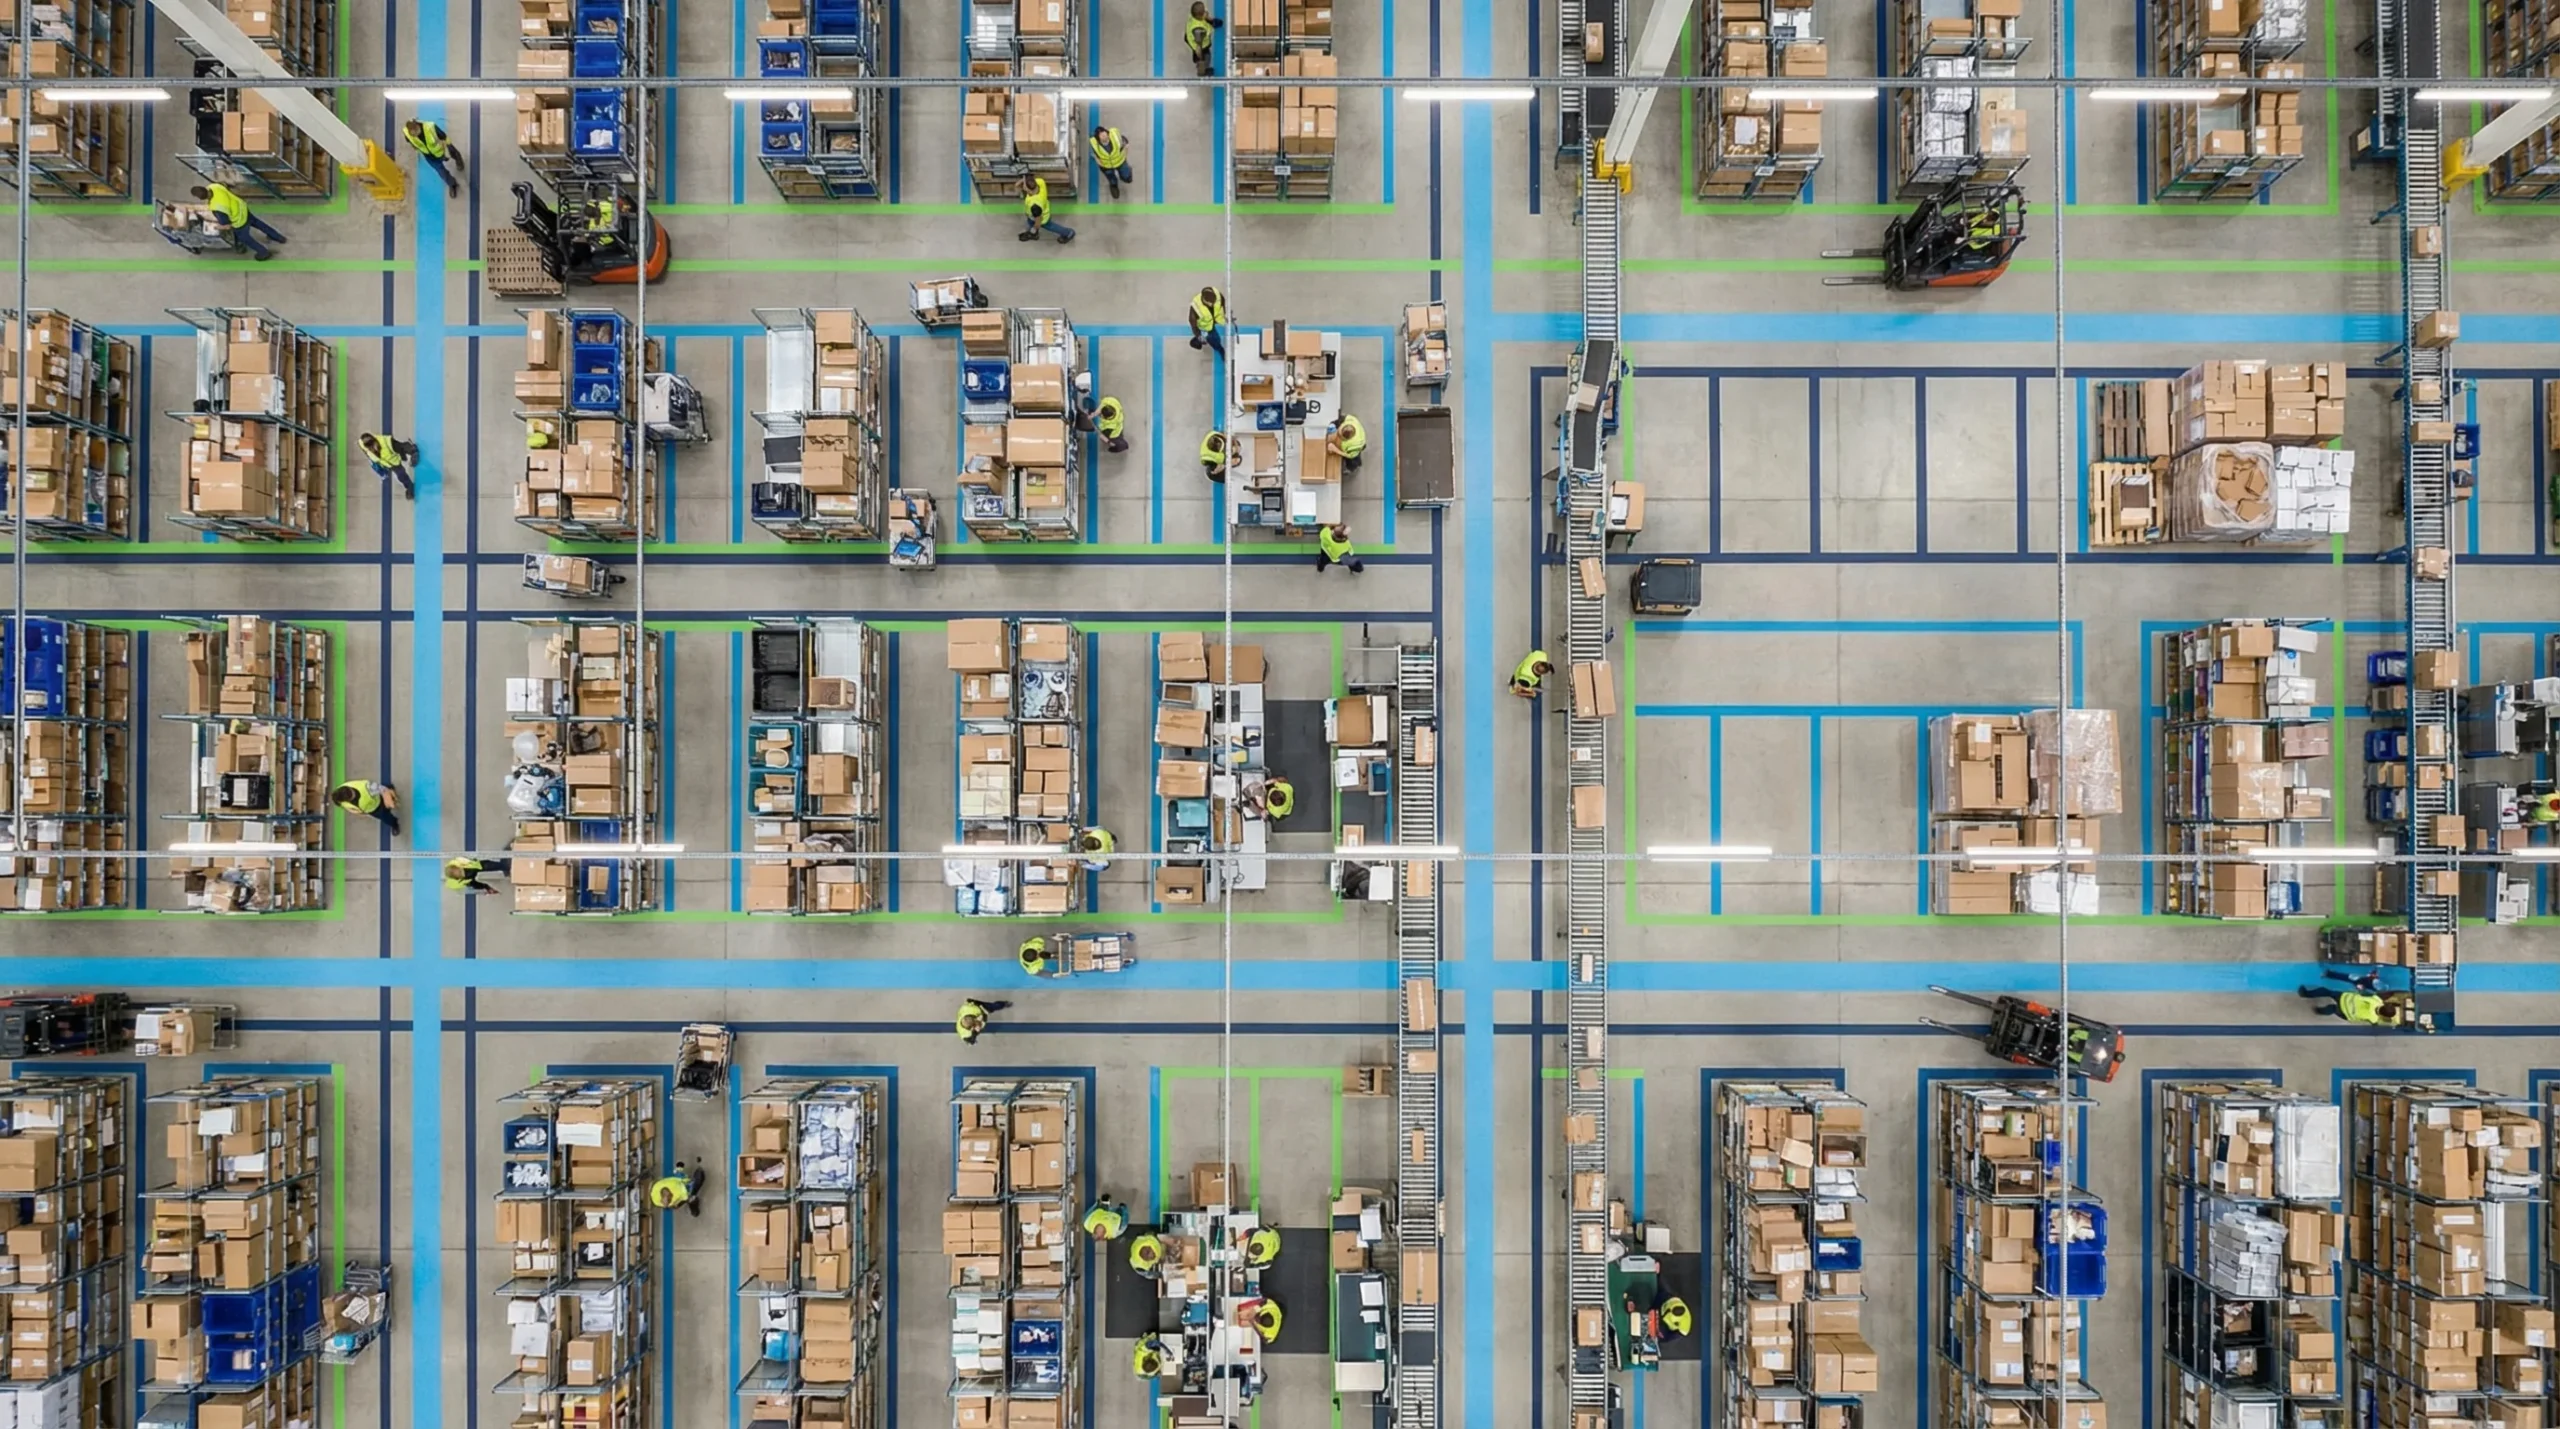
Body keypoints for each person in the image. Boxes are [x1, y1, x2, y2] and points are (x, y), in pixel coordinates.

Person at [190, 183, 287, 261]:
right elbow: (224, 185)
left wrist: (216, 226)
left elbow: (227, 226)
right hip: (242, 208)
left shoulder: (217, 207)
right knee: (258, 223)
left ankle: (263, 252)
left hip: (239, 221)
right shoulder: (214, 186)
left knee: (245, 238)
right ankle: (278, 237)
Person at [2298, 971, 2405, 1027]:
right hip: (2346, 1014)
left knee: (2326, 991)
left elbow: (2364, 993)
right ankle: (2320, 1011)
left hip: (2345, 998)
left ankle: (2306, 994)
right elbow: (2375, 1022)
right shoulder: (2374, 1019)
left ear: (2386, 1005)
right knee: (2333, 1009)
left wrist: (2360, 988)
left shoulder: (2377, 1000)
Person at [402, 118, 467, 198]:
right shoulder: (407, 133)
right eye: (413, 135)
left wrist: (448, 148)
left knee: (453, 153)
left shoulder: (430, 127)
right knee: (441, 172)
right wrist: (416, 147)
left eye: (416, 133)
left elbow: (444, 137)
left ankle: (458, 160)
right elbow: (410, 141)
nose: (416, 135)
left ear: (418, 126)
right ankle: (452, 184)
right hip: (429, 155)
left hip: (441, 150)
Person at [358, 433, 421, 500]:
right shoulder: (366, 447)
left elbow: (401, 446)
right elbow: (361, 443)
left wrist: (411, 451)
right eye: (370, 447)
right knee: (401, 476)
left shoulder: (385, 442)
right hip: (391, 464)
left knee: (401, 447)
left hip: (394, 459)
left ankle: (413, 451)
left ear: (375, 440)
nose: (373, 447)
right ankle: (410, 487)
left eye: (373, 444)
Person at [330, 778, 401, 836]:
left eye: (352, 792)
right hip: (372, 810)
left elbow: (383, 790)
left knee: (384, 790)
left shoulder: (366, 787)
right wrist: (357, 812)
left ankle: (390, 789)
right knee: (387, 819)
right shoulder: (339, 798)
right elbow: (346, 807)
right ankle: (394, 823)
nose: (354, 795)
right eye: (352, 796)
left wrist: (389, 801)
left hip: (378, 800)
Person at [1018, 176, 1074, 245]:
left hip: (1042, 218)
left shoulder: (1035, 206)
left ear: (1027, 189)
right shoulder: (1040, 183)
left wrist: (1033, 230)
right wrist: (1024, 180)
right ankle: (1034, 235)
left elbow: (1038, 223)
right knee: (1030, 222)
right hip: (1034, 214)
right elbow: (1020, 185)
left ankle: (1068, 233)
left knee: (1051, 226)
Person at [1088, 124, 1134, 199]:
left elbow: (1126, 143)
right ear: (1098, 139)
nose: (1103, 135)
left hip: (1120, 161)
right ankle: (1114, 186)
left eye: (1103, 132)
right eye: (1100, 135)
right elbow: (1094, 155)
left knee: (1127, 177)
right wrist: (1100, 164)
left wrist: (1125, 155)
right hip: (1106, 166)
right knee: (1111, 177)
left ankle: (1127, 174)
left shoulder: (1115, 137)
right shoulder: (1094, 145)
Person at [1185, 1, 1224, 77]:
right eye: (1204, 11)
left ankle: (1197, 60)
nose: (1206, 11)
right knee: (1206, 57)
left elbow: (1204, 18)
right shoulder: (1199, 31)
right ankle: (1202, 72)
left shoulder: (1194, 16)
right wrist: (1201, 59)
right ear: (1200, 16)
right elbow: (1198, 47)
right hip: (1200, 45)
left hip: (1191, 35)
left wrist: (1208, 18)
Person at [1187, 286, 1227, 355]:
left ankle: (1216, 346)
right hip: (1205, 327)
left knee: (1215, 339)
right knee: (1215, 340)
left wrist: (1225, 316)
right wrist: (1199, 336)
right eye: (1210, 303)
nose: (1212, 305)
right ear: (1204, 299)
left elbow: (1222, 306)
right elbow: (1194, 326)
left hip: (1213, 321)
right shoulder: (1195, 308)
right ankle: (1218, 348)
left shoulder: (1218, 297)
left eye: (1213, 302)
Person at [1327, 412, 1368, 476]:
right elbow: (1341, 419)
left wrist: (1335, 450)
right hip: (1357, 435)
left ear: (1346, 439)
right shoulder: (1350, 420)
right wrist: (1331, 429)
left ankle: (1351, 468)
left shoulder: (1352, 446)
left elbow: (1350, 455)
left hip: (1357, 449)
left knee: (1353, 461)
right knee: (1334, 424)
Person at [443, 856, 510, 895]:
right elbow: (473, 886)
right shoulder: (456, 884)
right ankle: (488, 888)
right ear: (457, 878)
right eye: (461, 874)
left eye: (461, 871)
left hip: (472, 867)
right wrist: (486, 888)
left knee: (486, 865)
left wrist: (473, 863)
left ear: (459, 867)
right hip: (468, 880)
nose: (463, 873)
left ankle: (504, 866)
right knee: (477, 886)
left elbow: (474, 863)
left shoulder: (459, 861)